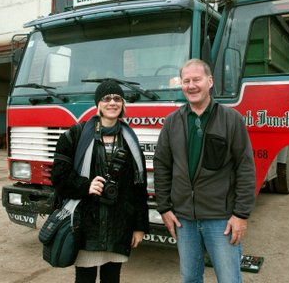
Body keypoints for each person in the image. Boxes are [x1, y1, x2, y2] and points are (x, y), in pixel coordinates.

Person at [153, 59, 256, 283]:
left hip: (221, 218)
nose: (191, 86)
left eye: (196, 80)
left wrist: (240, 214)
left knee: (229, 279)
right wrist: (164, 207)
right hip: (184, 219)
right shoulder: (172, 122)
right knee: (190, 278)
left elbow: (245, 168)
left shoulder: (231, 120)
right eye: (186, 81)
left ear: (209, 81)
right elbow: (161, 165)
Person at [51, 80, 149, 283]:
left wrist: (139, 227)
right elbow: (59, 178)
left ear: (122, 104)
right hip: (87, 226)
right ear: (98, 103)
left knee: (112, 279)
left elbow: (138, 187)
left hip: (119, 226)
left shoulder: (130, 140)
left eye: (117, 98)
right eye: (106, 98)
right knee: (84, 279)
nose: (112, 102)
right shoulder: (74, 135)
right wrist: (85, 186)